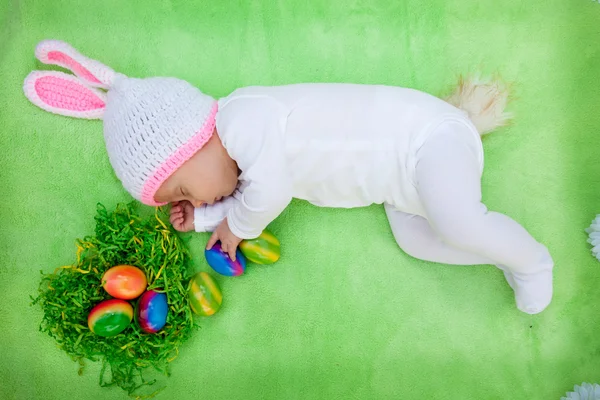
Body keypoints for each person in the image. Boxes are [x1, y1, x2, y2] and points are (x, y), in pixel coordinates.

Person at [23, 39, 553, 314]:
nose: (192, 197)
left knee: (458, 220)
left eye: (182, 188)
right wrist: (205, 213)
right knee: (419, 239)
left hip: (427, 140)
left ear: (195, 136)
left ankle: (532, 259)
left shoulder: (241, 117)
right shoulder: (238, 159)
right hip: (401, 186)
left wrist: (231, 228)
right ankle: (501, 251)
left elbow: (266, 192)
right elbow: (250, 189)